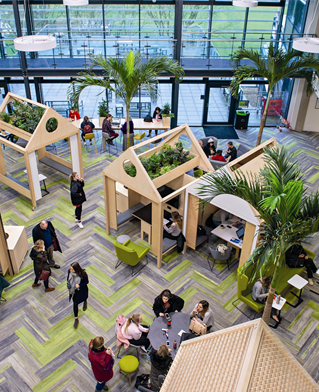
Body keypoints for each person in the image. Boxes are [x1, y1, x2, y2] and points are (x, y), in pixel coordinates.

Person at [67, 262, 89, 328]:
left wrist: (79, 285)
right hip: (74, 292)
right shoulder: (69, 272)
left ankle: (85, 302)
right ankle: (76, 318)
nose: (71, 271)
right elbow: (68, 279)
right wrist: (68, 285)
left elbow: (86, 282)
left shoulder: (83, 274)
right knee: (75, 304)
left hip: (82, 291)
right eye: (70, 269)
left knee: (84, 297)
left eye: (72, 270)